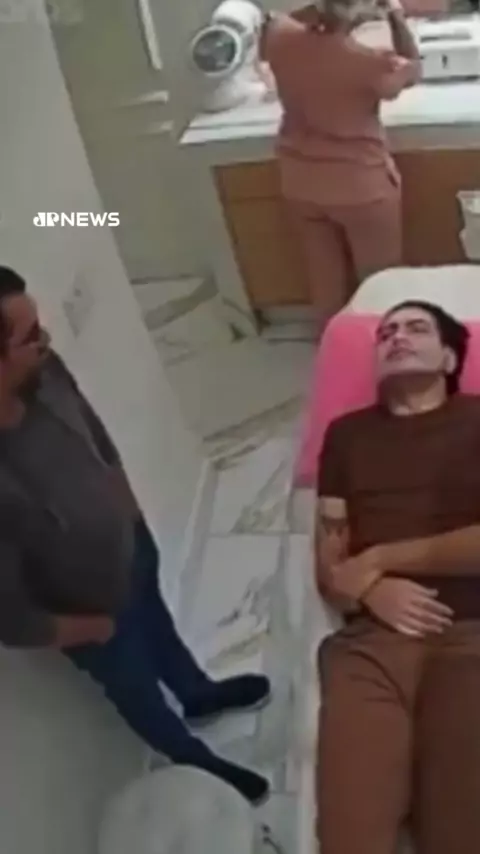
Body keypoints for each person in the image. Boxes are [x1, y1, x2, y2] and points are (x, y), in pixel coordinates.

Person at [0, 266, 271, 806]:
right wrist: (89, 629)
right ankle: (194, 759)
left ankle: (197, 692)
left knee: (160, 627)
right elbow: (9, 616)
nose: (46, 342)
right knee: (137, 690)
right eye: (29, 337)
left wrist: (132, 515)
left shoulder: (45, 372)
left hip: (130, 548)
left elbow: (94, 433)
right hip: (87, 611)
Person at [314, 299, 480, 854]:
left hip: (471, 637)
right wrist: (367, 587)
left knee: (460, 830)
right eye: (386, 332)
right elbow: (332, 569)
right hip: (371, 647)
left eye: (416, 328)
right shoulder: (346, 435)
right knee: (351, 834)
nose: (397, 337)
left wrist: (379, 559)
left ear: (450, 359)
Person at [260, 1, 420, 330]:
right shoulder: (368, 63)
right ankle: (376, 348)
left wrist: (322, 14)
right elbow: (413, 70)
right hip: (360, 187)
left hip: (301, 183)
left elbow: (287, 21)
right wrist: (395, 14)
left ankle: (332, 345)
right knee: (379, 285)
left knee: (325, 281)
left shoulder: (279, 37)